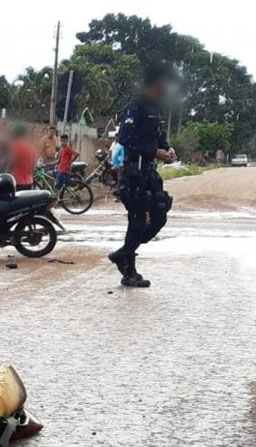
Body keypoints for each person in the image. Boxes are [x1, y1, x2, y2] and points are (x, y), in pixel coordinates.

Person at [108, 65, 176, 288]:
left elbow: (158, 137)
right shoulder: (136, 106)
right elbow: (126, 139)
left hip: (149, 172)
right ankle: (129, 270)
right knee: (137, 221)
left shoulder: (156, 108)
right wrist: (153, 151)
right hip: (133, 172)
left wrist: (168, 149)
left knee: (160, 216)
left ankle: (124, 252)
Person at [8, 124, 37, 190]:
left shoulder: (15, 145)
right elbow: (33, 165)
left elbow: (13, 161)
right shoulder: (30, 147)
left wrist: (6, 173)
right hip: (29, 181)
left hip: (17, 181)